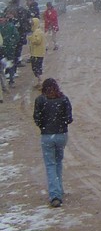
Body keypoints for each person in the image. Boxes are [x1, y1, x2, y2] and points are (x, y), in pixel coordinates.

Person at [33, 78, 73, 207]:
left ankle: (55, 194)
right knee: (58, 161)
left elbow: (37, 118)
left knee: (50, 164)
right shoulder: (63, 99)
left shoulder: (40, 100)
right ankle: (59, 188)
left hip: (47, 135)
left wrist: (44, 125)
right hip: (61, 134)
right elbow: (69, 118)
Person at [6, 0, 31, 67]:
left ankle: (12, 61)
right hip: (19, 30)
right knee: (19, 47)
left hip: (10, 31)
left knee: (12, 47)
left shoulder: (8, 8)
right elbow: (25, 19)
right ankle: (17, 61)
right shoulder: (20, 9)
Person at [0, 11, 21, 85]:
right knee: (2, 66)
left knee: (11, 64)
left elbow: (17, 36)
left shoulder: (11, 26)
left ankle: (11, 80)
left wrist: (12, 43)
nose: (0, 19)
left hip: (10, 49)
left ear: (5, 18)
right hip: (1, 50)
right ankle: (3, 83)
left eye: (2, 18)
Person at [28, 17, 45, 87]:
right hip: (37, 53)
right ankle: (39, 82)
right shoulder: (37, 31)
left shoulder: (37, 32)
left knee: (36, 68)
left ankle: (41, 82)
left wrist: (30, 38)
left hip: (37, 54)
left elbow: (37, 41)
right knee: (37, 68)